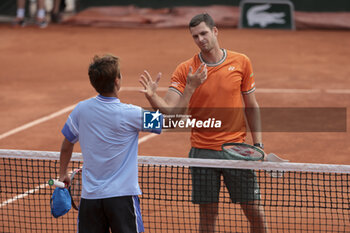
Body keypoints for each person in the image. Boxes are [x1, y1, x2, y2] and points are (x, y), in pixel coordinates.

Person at [139, 13, 268, 233]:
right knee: (208, 215)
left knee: (253, 210)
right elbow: (170, 114)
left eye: (204, 33)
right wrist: (153, 97)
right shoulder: (185, 70)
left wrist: (258, 145)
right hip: (202, 151)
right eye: (195, 36)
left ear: (215, 31)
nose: (200, 39)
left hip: (236, 150)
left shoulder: (241, 62)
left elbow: (251, 106)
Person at [59, 54, 161, 233]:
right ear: (117, 81)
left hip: (90, 199)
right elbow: (171, 122)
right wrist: (153, 97)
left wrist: (62, 174)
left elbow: (67, 144)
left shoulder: (81, 110)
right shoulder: (130, 114)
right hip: (122, 198)